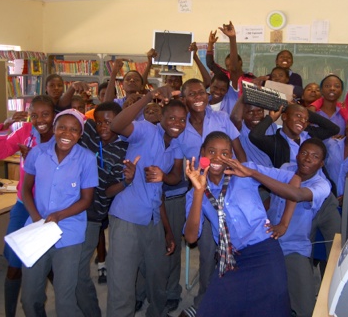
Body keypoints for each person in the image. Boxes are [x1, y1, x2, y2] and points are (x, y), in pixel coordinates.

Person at [184, 131, 294, 317]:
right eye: (211, 151)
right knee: (210, 310)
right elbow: (191, 237)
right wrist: (198, 192)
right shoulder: (194, 192)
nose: (218, 157)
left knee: (273, 308)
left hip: (264, 251)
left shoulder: (245, 172)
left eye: (225, 153)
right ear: (202, 153)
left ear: (232, 156)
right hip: (230, 258)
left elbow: (292, 180)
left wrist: (284, 222)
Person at [106, 85, 186, 317]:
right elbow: (116, 125)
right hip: (127, 217)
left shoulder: (177, 144)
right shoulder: (146, 131)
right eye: (171, 117)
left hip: (153, 218)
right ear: (161, 116)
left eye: (182, 120)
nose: (177, 123)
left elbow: (169, 181)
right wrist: (148, 96)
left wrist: (168, 231)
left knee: (158, 277)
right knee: (122, 283)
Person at [175, 78, 247, 317]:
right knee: (207, 254)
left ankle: (232, 299)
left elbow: (239, 153)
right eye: (191, 93)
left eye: (201, 92)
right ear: (183, 99)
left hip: (227, 189)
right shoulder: (178, 125)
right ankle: (204, 302)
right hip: (201, 195)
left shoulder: (221, 119)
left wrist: (245, 179)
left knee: (236, 250)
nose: (198, 97)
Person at [20, 108, 98, 317]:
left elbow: (86, 200)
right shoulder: (37, 153)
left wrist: (58, 216)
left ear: (80, 135)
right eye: (61, 127)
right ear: (54, 129)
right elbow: (25, 189)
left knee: (65, 299)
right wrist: (37, 218)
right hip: (37, 229)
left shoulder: (87, 159)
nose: (66, 134)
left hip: (69, 233)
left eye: (74, 130)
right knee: (29, 297)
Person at [0, 95, 55, 317]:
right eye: (34, 115)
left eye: (45, 114)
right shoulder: (25, 132)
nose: (39, 120)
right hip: (24, 205)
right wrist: (4, 127)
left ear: (54, 115)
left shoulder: (64, 134)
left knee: (52, 266)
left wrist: (36, 157)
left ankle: (70, 303)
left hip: (51, 208)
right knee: (14, 261)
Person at [263, 138, 331, 317]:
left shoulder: (322, 185)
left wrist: (254, 174)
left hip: (293, 247)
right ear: (297, 154)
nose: (308, 159)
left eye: (315, 157)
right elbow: (273, 197)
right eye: (304, 153)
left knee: (306, 307)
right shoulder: (286, 168)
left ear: (321, 163)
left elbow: (296, 194)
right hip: (267, 241)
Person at [75, 101, 130, 316]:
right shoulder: (89, 134)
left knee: (78, 270)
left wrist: (127, 182)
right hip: (69, 210)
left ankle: (91, 312)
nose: (103, 127)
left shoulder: (123, 150)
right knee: (68, 266)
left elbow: (108, 192)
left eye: (109, 122)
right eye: (99, 122)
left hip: (93, 215)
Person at [249, 103, 340, 168]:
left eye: (306, 119)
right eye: (298, 116)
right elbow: (255, 136)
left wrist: (303, 110)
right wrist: (271, 118)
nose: (303, 121)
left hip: (319, 184)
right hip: (291, 189)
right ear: (284, 117)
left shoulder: (309, 134)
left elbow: (334, 129)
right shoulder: (275, 143)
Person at [205, 21, 255, 91]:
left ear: (240, 62)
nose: (230, 68)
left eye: (231, 64)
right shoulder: (225, 75)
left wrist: (232, 38)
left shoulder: (250, 78)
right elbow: (210, 63)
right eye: (227, 66)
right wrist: (210, 44)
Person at [230, 94, 276, 167]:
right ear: (243, 114)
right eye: (250, 112)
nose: (256, 115)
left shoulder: (271, 127)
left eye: (259, 111)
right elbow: (235, 118)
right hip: (248, 173)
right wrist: (247, 92)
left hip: (269, 173)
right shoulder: (239, 129)